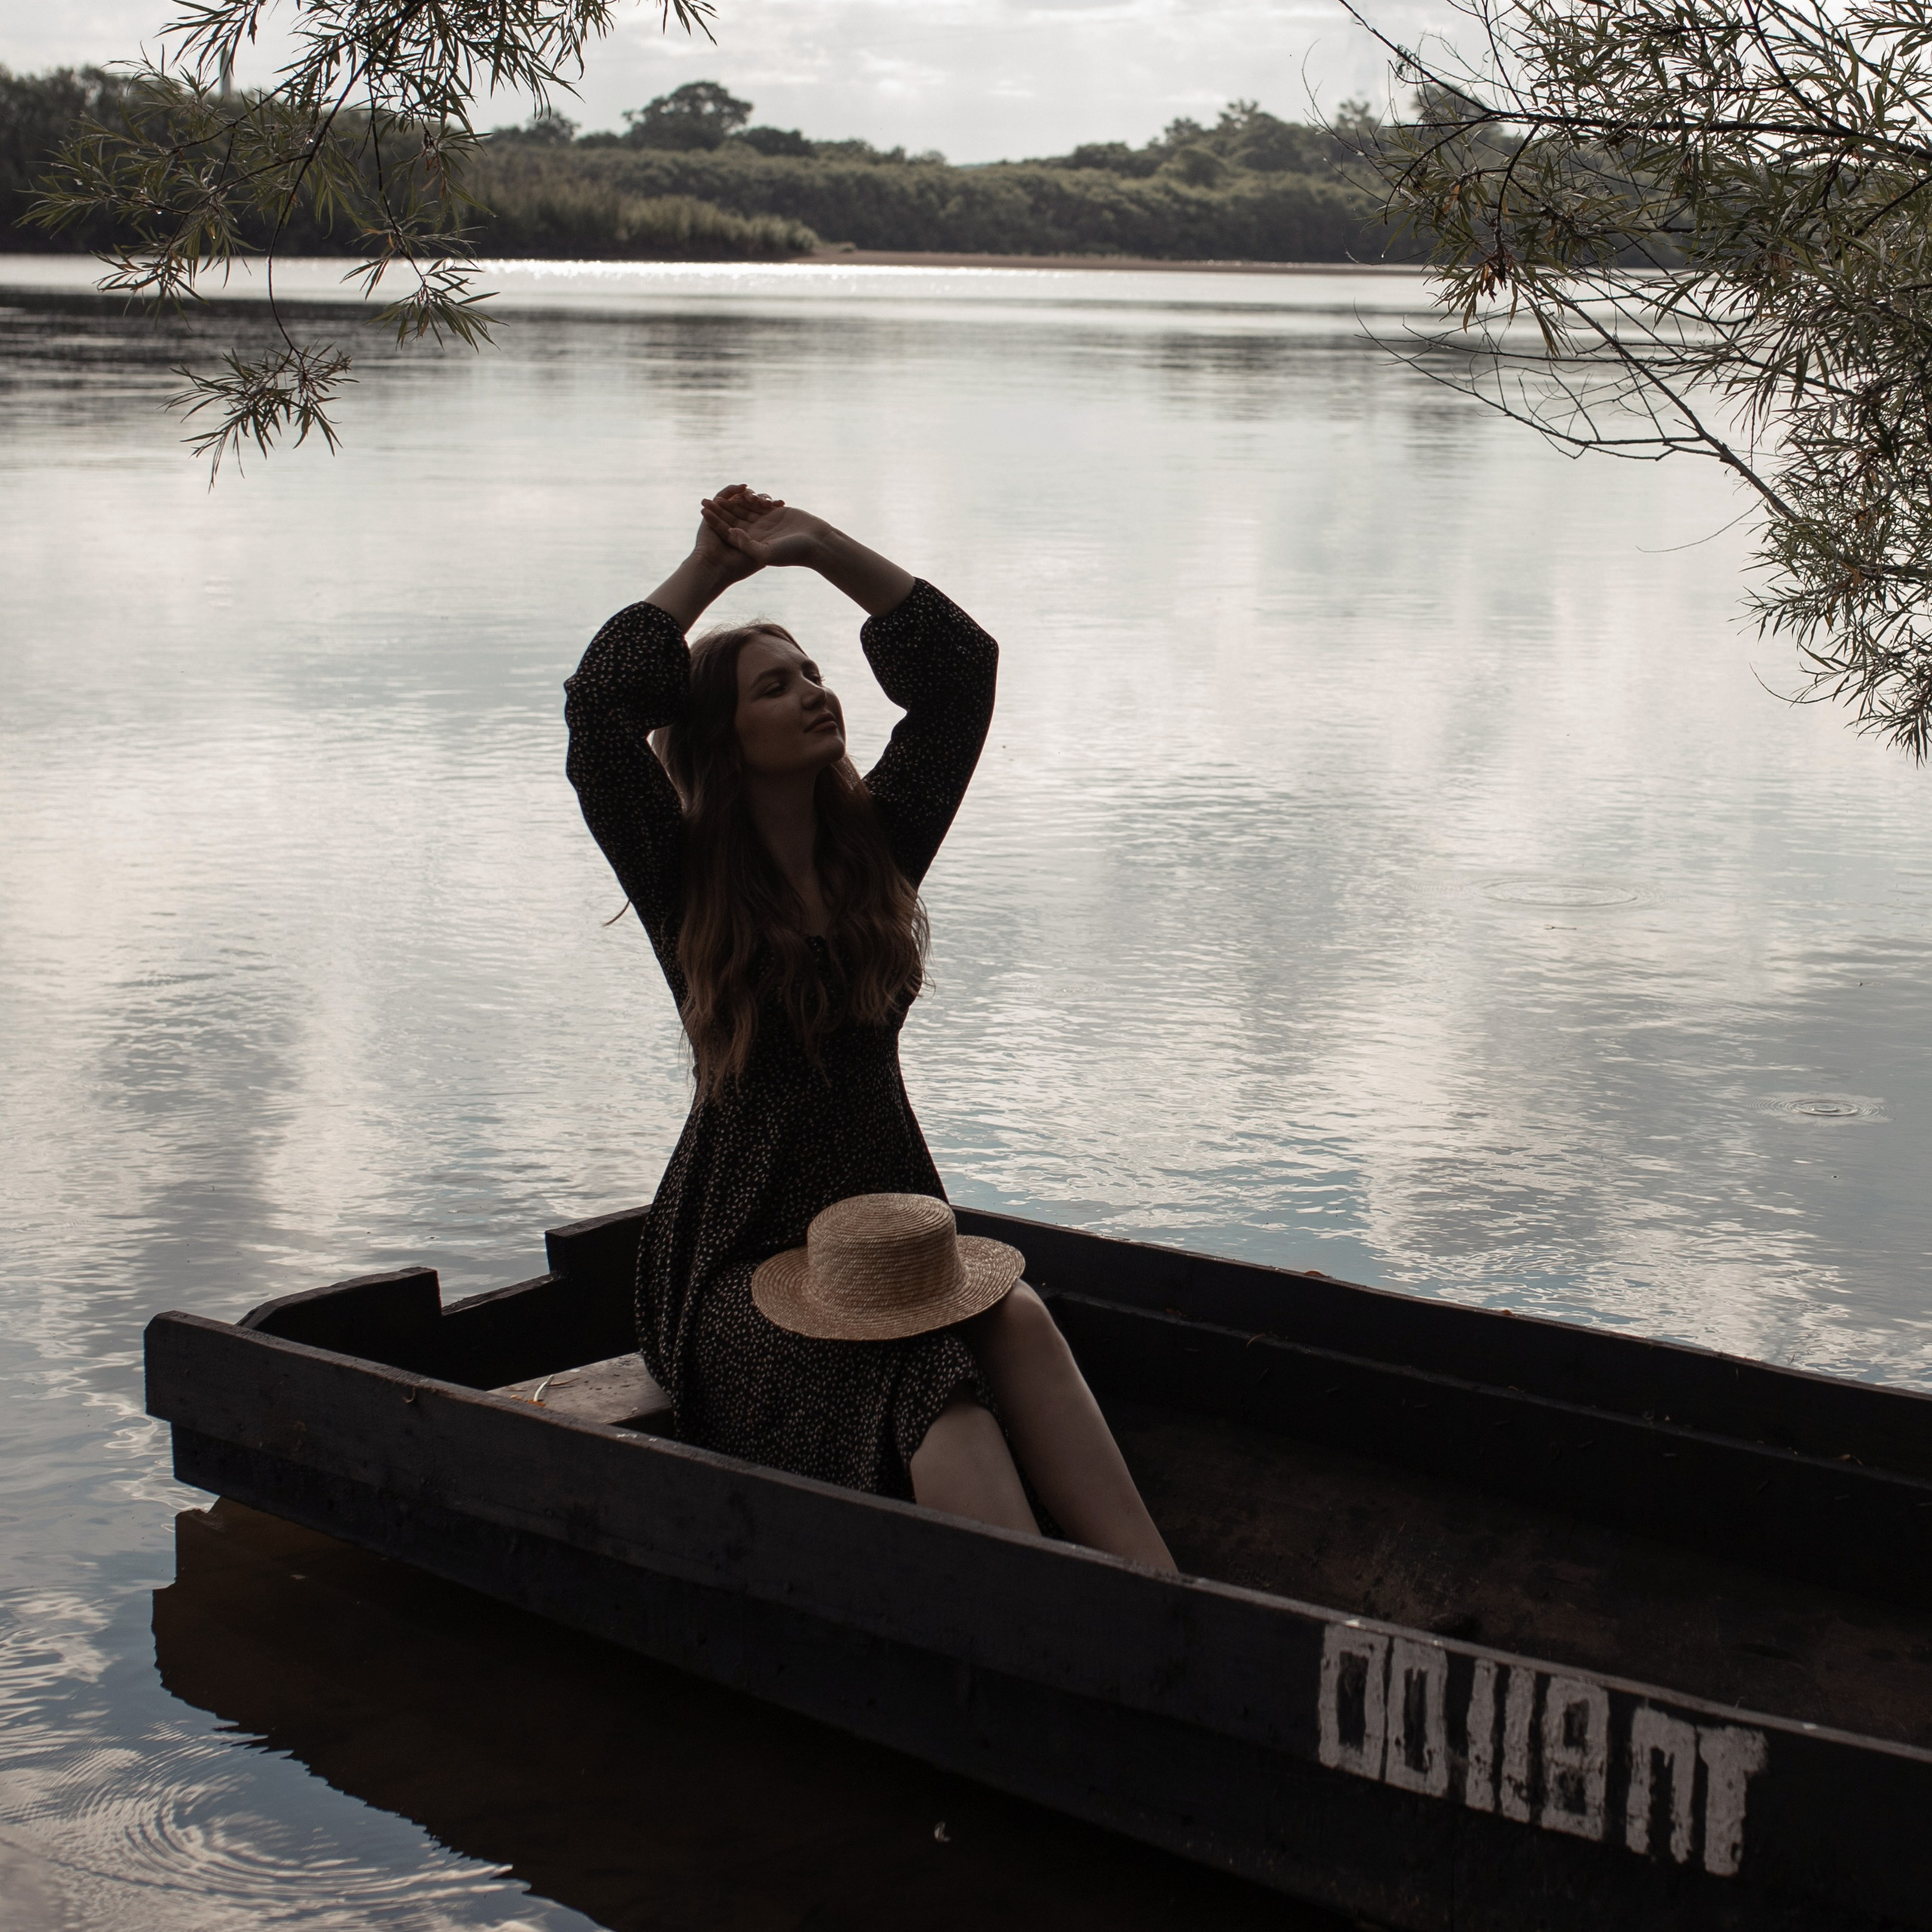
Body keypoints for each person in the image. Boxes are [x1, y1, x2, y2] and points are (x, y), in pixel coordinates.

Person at [565, 485, 1173, 1568]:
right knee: (946, 1405)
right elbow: (600, 708)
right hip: (739, 1255)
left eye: (812, 673)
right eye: (773, 687)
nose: (812, 693)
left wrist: (818, 546)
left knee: (1020, 1319)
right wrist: (713, 567)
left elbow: (958, 678)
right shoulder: (683, 880)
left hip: (891, 1234)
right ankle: (1069, 1640)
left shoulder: (876, 851)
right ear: (721, 735)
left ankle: (1165, 1601)